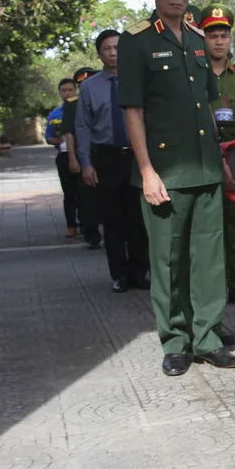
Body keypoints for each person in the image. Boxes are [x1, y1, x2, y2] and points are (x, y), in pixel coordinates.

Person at [117, 0, 235, 377]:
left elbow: (208, 108)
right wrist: (147, 171)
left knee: (209, 261)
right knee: (167, 262)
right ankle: (175, 341)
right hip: (165, 174)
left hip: (206, 168)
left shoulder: (196, 40)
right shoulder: (135, 43)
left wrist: (222, 162)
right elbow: (133, 111)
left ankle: (207, 337)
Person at [75, 29, 151, 293]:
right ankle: (119, 273)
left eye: (117, 47)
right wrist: (85, 162)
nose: (113, 53)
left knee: (139, 217)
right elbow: (83, 127)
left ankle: (141, 272)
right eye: (107, 49)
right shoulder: (89, 86)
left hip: (137, 154)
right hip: (107, 156)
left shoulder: (140, 79)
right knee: (112, 219)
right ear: (99, 54)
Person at [200, 3, 235, 306]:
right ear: (203, 39)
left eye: (223, 35)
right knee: (208, 227)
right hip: (204, 158)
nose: (219, 40)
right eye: (212, 35)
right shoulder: (194, 76)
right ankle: (213, 285)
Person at [62, 67, 102, 249]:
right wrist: (72, 158)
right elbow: (69, 133)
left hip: (106, 153)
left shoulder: (109, 94)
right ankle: (91, 233)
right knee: (86, 197)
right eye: (81, 83)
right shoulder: (73, 104)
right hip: (84, 155)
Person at [46, 78, 79, 238]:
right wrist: (56, 140)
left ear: (76, 90)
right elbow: (48, 137)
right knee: (69, 192)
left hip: (82, 154)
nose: (67, 93)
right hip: (64, 156)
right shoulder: (55, 114)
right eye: (64, 90)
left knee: (84, 192)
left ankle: (88, 224)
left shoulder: (82, 109)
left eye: (70, 90)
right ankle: (71, 225)